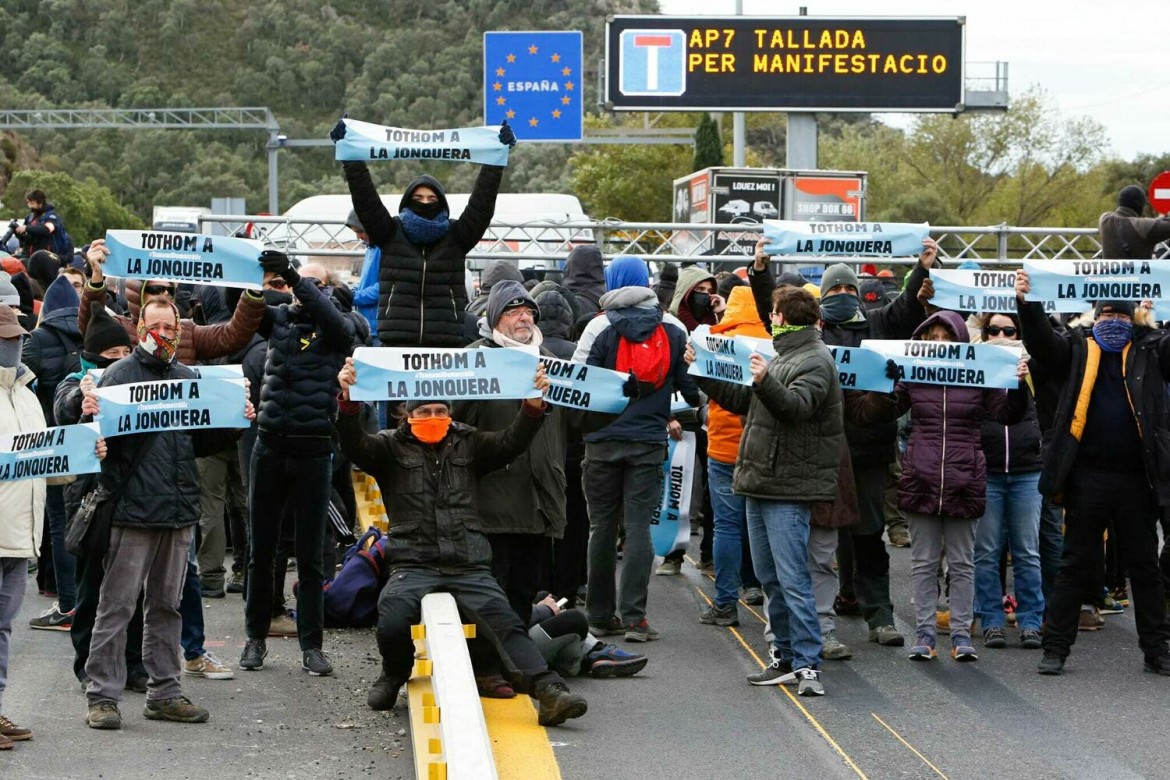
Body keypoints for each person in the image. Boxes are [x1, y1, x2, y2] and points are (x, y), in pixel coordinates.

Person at [335, 359, 588, 727]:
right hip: (413, 562)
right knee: (392, 617)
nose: (433, 415)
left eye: (440, 410)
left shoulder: (469, 440)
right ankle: (394, 674)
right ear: (407, 413)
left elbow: (510, 443)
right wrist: (347, 400)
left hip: (468, 562)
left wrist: (533, 407)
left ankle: (549, 690)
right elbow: (353, 442)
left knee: (506, 622)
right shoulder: (388, 448)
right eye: (424, 410)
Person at [749, 236, 939, 649]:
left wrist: (922, 267)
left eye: (849, 289)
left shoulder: (877, 321)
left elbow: (907, 306)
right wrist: (762, 271)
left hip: (868, 449)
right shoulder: (813, 332)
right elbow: (776, 314)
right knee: (819, 538)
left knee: (868, 533)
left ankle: (880, 616)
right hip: (819, 451)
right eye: (834, 289)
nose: (843, 295)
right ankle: (821, 617)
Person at [79, 299, 251, 730]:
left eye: (169, 325)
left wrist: (235, 420)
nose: (163, 332)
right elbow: (97, 442)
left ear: (179, 329)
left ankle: (165, 692)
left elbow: (199, 441)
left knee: (167, 608)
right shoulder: (118, 377)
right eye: (154, 325)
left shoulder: (186, 377)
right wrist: (86, 413)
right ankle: (102, 697)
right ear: (139, 328)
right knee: (116, 607)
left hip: (177, 513)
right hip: (132, 513)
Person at [1015, 270, 1170, 676]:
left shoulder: (1151, 350)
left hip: (1139, 478)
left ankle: (1157, 649)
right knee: (1075, 563)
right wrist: (1028, 304)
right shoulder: (1077, 349)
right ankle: (1055, 649)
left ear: (1134, 319)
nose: (1112, 323)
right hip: (1088, 477)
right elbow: (1042, 345)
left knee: (1145, 567)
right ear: (1093, 318)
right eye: (1105, 317)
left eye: (1120, 317)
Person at [850, 310, 1028, 663]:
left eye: (946, 339)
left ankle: (962, 635)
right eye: (932, 339)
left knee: (963, 563)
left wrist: (1018, 386)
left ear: (960, 343)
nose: (939, 344)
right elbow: (875, 414)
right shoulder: (913, 375)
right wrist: (885, 385)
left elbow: (1007, 414)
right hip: (922, 476)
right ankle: (925, 633)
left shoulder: (980, 375)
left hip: (964, 478)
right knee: (923, 563)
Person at [695, 286, 844, 696]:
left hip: (787, 486)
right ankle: (784, 656)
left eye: (774, 313)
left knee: (792, 576)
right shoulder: (785, 355)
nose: (770, 320)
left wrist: (763, 381)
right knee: (770, 577)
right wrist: (705, 372)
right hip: (762, 480)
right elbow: (746, 400)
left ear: (783, 317)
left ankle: (808, 665)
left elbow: (796, 407)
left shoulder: (815, 359)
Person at [239, 255, 365, 677]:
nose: (299, 287)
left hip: (314, 450)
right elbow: (243, 313)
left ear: (328, 288)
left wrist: (295, 276)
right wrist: (250, 275)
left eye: (313, 282)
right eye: (295, 281)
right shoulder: (278, 320)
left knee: (312, 555)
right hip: (270, 446)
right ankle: (255, 639)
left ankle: (312, 645)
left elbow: (336, 324)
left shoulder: (341, 325)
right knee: (262, 550)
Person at [571, 257, 701, 642]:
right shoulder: (673, 327)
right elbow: (689, 389)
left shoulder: (599, 326)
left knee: (601, 529)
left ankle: (598, 616)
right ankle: (635, 619)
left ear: (610, 281)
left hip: (602, 442)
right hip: (647, 442)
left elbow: (581, 384)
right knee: (639, 528)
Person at [0, 305, 97, 747]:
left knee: (3, 626)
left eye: (16, 337)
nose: (12, 345)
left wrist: (82, 450)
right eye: (4, 339)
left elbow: (48, 466)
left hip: (19, 534)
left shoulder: (25, 393)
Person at [332, 118, 516, 348]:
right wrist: (352, 158)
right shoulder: (390, 232)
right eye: (418, 199)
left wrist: (495, 163)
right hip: (395, 343)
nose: (425, 203)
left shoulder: (457, 236)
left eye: (432, 199)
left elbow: (482, 203)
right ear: (407, 201)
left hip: (446, 344)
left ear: (442, 203)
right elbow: (365, 199)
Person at [453, 281, 568, 624]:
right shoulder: (475, 359)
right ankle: (491, 668)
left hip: (538, 500)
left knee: (522, 592)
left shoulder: (551, 362)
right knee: (491, 594)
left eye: (529, 312)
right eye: (513, 311)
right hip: (491, 501)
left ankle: (514, 666)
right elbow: (454, 422)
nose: (524, 318)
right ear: (494, 317)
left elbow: (581, 420)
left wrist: (618, 398)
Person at [686, 285, 769, 628]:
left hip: (723, 442)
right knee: (762, 525)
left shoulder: (716, 341)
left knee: (726, 527)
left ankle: (724, 602)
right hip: (762, 444)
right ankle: (757, 588)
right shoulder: (771, 340)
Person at [972, 312, 1046, 650]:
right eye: (993, 330)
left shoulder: (1037, 367)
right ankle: (992, 621)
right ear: (983, 333)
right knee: (986, 552)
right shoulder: (974, 368)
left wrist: (1029, 376)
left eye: (1009, 329)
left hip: (1027, 470)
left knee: (1027, 551)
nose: (1001, 335)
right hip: (987, 471)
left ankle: (1032, 620)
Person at [79, 239, 266, 366]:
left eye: (169, 290)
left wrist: (253, 290)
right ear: (137, 293)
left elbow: (233, 335)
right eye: (155, 289)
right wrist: (96, 278)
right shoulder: (119, 328)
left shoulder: (188, 331)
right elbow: (89, 324)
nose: (164, 294)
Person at [22, 275, 84, 630]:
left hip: (50, 442)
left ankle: (68, 604)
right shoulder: (89, 333)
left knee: (59, 523)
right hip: (86, 441)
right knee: (83, 519)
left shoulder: (38, 339)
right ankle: (83, 600)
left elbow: (25, 385)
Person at [1098, 185, 1170, 260]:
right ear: (1140, 206)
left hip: (1111, 271)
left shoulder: (1105, 219)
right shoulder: (1143, 227)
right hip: (1138, 271)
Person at [347, 209, 381, 341]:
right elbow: (365, 284)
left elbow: (385, 287)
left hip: (378, 330)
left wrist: (352, 297)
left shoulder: (385, 249)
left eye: (360, 231)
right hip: (367, 328)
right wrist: (348, 292)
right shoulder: (370, 249)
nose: (358, 237)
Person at [14, 189, 63, 257]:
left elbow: (47, 229)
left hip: (45, 256)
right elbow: (27, 238)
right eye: (28, 202)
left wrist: (27, 228)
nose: (30, 205)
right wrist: (19, 233)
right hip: (28, 255)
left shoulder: (51, 216)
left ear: (40, 202)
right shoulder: (30, 217)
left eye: (32, 202)